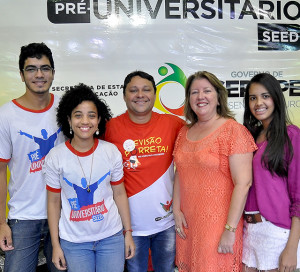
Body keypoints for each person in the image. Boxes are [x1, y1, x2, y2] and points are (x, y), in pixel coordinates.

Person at [45, 83, 135, 272]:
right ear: (68, 120)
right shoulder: (56, 156)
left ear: (99, 120)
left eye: (91, 115)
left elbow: (119, 194)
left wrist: (128, 233)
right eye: (78, 115)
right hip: (74, 243)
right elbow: (53, 202)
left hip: (111, 238)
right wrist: (56, 245)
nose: (85, 121)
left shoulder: (111, 152)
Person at [173, 71, 257, 271]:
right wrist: (176, 210)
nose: (200, 97)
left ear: (218, 97)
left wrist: (229, 229)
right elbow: (180, 172)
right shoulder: (184, 132)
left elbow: (243, 184)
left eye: (206, 91)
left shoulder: (233, 130)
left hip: (219, 226)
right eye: (194, 92)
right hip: (188, 225)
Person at [105, 71, 184, 272]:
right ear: (124, 96)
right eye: (133, 90)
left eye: (146, 89)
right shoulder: (110, 127)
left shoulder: (173, 124)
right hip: (130, 227)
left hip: (166, 224)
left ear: (155, 94)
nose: (140, 95)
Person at [0, 42, 64, 272]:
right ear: (21, 74)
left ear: (53, 73)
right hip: (23, 217)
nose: (39, 74)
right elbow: (0, 172)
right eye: (31, 69)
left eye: (45, 68)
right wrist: (1, 223)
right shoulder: (6, 115)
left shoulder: (67, 108)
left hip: (64, 213)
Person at [242, 73, 300, 272]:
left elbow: (299, 196)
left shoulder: (291, 135)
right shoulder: (249, 136)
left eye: (265, 96)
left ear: (276, 98)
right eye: (253, 98)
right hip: (248, 230)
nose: (259, 102)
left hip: (277, 232)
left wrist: (292, 248)